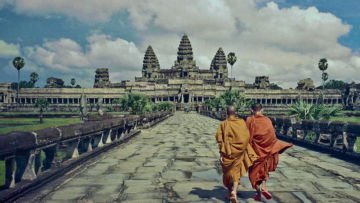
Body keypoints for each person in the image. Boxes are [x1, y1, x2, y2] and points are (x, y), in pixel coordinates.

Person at [246, 103, 293, 201]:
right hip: (267, 150)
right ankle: (263, 188)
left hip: (255, 152)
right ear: (262, 110)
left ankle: (259, 192)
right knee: (264, 170)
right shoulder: (268, 120)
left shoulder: (250, 120)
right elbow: (272, 137)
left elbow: (246, 136)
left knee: (253, 174)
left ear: (252, 110)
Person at [215, 105, 258, 203]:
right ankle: (233, 191)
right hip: (239, 152)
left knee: (228, 173)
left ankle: (230, 192)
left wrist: (222, 152)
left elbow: (219, 139)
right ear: (235, 113)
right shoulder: (241, 122)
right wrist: (242, 147)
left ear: (227, 113)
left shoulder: (223, 124)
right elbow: (246, 136)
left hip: (228, 152)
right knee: (236, 172)